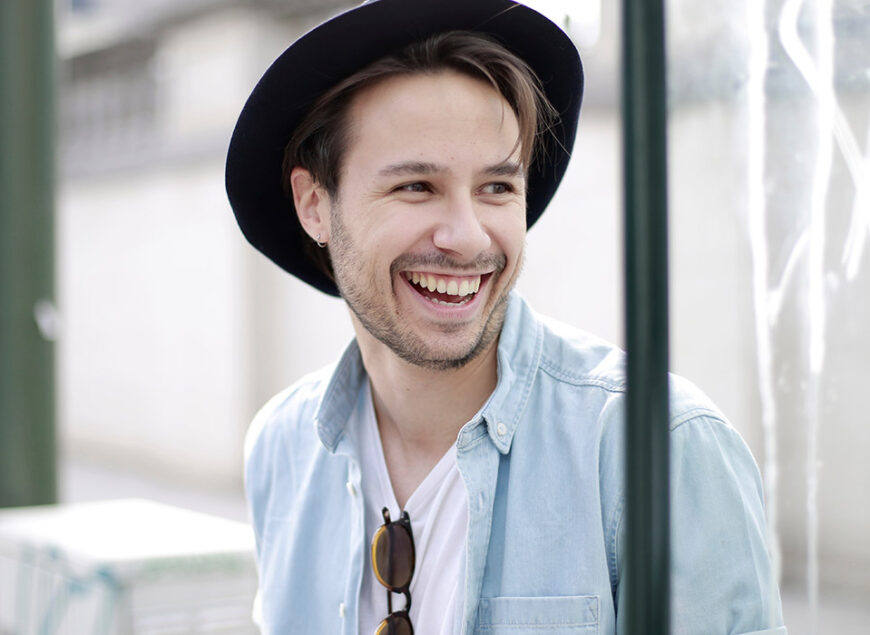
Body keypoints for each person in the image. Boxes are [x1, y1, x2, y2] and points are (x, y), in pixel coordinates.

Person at [225, 0, 787, 633]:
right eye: (416, 186)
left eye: (497, 187)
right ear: (314, 205)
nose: (468, 237)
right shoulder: (283, 447)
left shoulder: (658, 450)